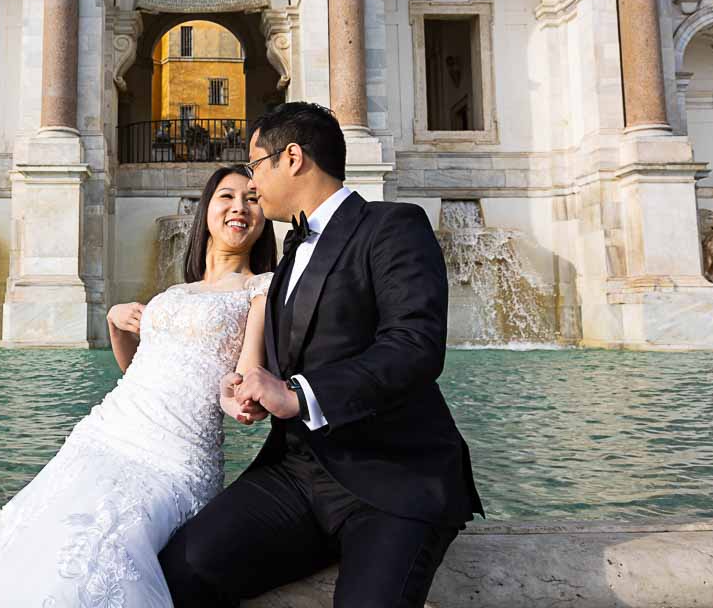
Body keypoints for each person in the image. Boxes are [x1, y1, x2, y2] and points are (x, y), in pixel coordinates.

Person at [159, 101, 484, 607]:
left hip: (393, 479)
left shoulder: (393, 224)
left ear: (291, 158)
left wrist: (297, 394)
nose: (252, 183)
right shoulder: (289, 252)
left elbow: (414, 347)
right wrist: (250, 386)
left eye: (255, 167)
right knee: (181, 569)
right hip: (294, 474)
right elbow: (292, 356)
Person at [0, 165, 277, 607]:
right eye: (227, 196)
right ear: (207, 210)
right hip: (103, 435)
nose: (239, 207)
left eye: (252, 199)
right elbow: (137, 372)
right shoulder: (176, 293)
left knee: (91, 554)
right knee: (29, 536)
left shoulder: (260, 289)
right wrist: (115, 326)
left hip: (173, 457)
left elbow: (245, 378)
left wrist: (242, 401)